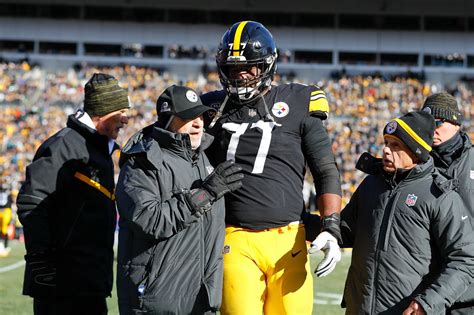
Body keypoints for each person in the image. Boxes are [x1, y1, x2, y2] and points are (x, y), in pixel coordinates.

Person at [201, 21, 342, 314]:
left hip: (288, 239)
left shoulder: (299, 99)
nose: (240, 76)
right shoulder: (210, 108)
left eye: (248, 68)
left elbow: (325, 169)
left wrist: (331, 226)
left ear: (267, 65)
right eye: (232, 69)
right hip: (234, 237)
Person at [115, 85, 243, 314]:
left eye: (200, 116)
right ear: (168, 120)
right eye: (188, 117)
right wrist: (207, 193)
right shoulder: (142, 162)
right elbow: (150, 220)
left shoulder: (203, 158)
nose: (198, 123)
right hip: (158, 302)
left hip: (202, 301)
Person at [339, 111, 474, 314]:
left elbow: (464, 259)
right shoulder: (371, 185)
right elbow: (345, 229)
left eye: (395, 145)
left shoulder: (439, 195)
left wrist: (427, 303)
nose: (385, 150)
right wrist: (302, 222)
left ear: (416, 151)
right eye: (386, 142)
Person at [17, 73, 130, 315]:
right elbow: (32, 202)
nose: (126, 119)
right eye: (121, 110)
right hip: (62, 286)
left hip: (90, 284)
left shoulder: (100, 150)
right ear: (103, 110)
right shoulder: (62, 146)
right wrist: (42, 260)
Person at [421, 92, 474, 314]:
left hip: (470, 287)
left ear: (455, 122)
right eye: (427, 123)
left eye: (438, 122)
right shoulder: (418, 164)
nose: (431, 128)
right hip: (428, 288)